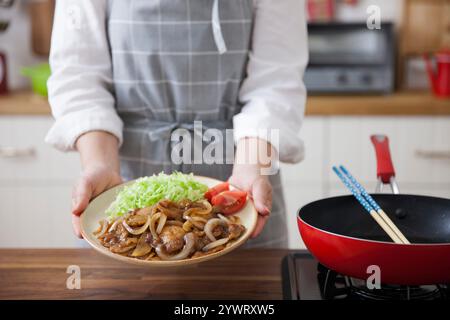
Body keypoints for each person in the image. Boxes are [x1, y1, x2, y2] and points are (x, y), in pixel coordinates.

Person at [46, 0, 308, 248]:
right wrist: (99, 165)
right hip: (121, 179)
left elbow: (275, 81)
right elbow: (79, 74)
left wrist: (252, 169)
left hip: (240, 184)